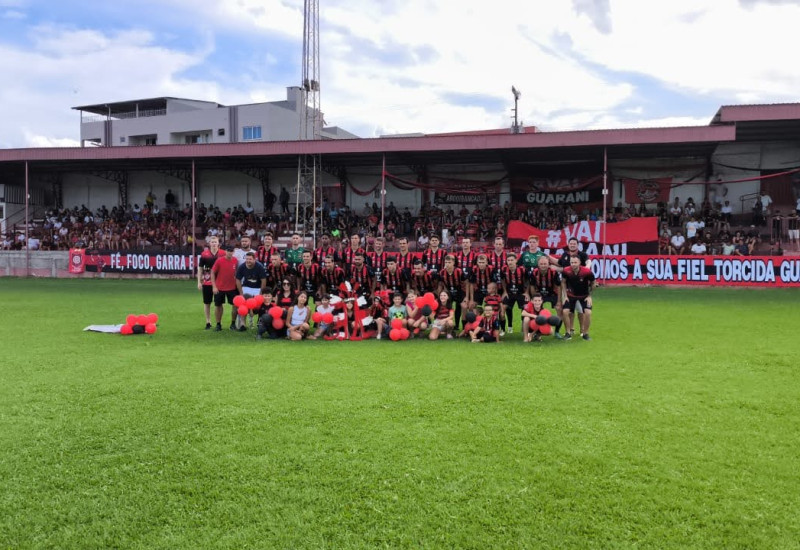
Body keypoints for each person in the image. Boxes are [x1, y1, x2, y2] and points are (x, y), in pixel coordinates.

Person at [561, 255, 595, 340]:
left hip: (584, 296)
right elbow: (563, 282)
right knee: (565, 311)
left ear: (580, 263)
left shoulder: (587, 272)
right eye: (572, 262)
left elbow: (593, 283)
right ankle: (568, 333)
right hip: (570, 296)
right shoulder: (566, 271)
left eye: (575, 262)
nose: (573, 264)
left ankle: (585, 334)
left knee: (588, 313)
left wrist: (590, 296)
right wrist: (565, 296)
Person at [197, 235, 225, 329]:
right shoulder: (204, 254)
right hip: (207, 282)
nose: (213, 243)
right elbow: (200, 269)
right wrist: (199, 282)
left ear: (218, 244)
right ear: (209, 244)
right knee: (207, 303)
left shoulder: (223, 253)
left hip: (219, 283)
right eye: (212, 242)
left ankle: (219, 322)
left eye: (215, 242)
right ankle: (208, 322)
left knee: (219, 304)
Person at [235, 251, 267, 330]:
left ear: (254, 259)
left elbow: (263, 280)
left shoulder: (259, 266)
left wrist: (260, 293)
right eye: (247, 259)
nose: (248, 261)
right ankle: (242, 324)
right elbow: (238, 280)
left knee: (257, 307)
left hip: (257, 288)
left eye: (250, 259)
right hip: (246, 287)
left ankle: (258, 322)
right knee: (243, 303)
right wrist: (241, 293)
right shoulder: (242, 267)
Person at [210, 245, 239, 331]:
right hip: (220, 288)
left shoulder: (235, 260)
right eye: (228, 250)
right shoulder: (219, 260)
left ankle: (233, 324)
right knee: (218, 306)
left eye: (231, 251)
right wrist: (214, 286)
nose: (230, 252)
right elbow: (212, 272)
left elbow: (237, 273)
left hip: (232, 287)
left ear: (233, 252)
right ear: (225, 251)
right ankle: (218, 324)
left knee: (235, 306)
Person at [500, 252, 526, 335]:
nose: (510, 262)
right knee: (503, 308)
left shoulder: (522, 269)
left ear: (516, 260)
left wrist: (527, 292)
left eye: (512, 260)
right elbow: (502, 280)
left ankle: (523, 329)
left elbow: (528, 281)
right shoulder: (504, 269)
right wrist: (504, 291)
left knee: (525, 309)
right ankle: (505, 329)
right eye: (508, 260)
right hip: (509, 293)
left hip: (520, 293)